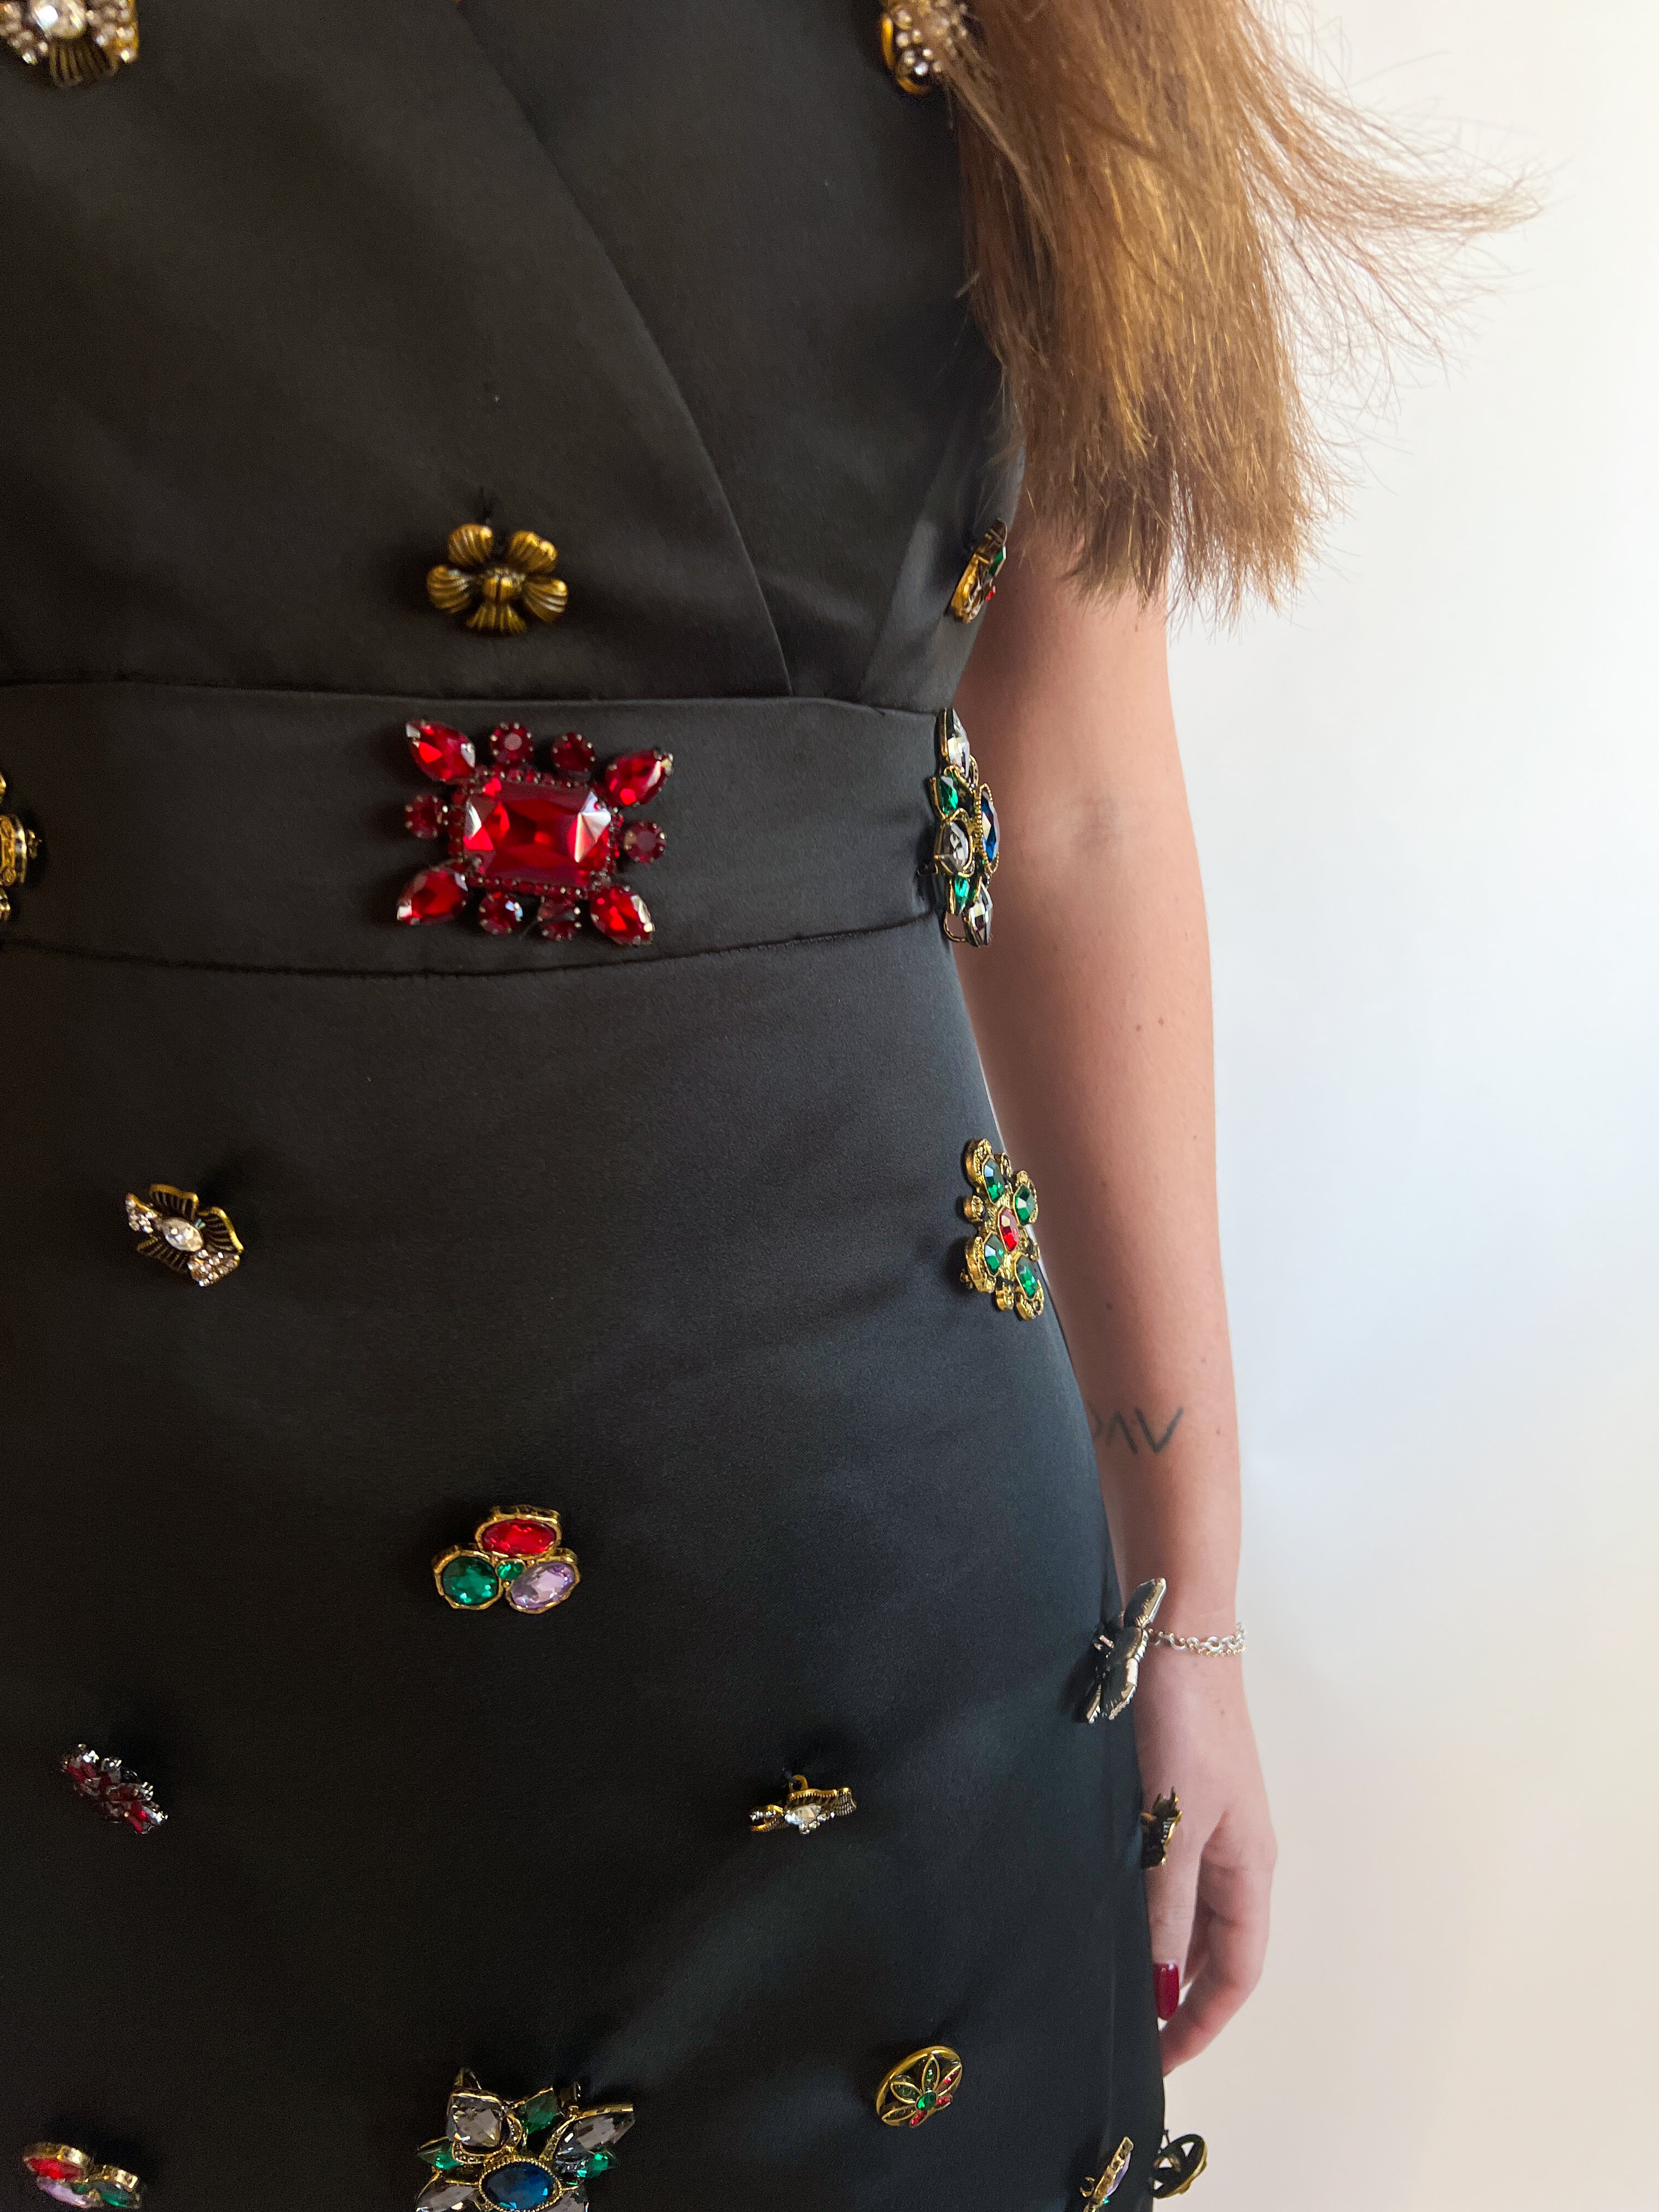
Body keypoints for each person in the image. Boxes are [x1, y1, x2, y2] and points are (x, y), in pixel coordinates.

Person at [0, 3, 1507, 2208]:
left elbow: (1079, 803)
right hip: (99, 1519)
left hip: (841, 1543)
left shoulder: (1066, 25)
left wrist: (1188, 1607)